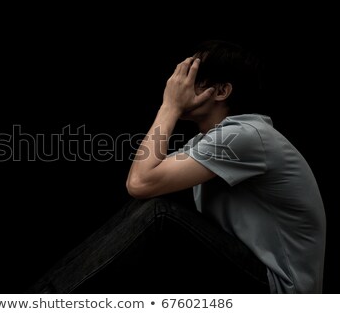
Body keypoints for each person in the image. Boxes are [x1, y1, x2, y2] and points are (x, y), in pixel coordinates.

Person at [27, 40, 326, 294]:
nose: (178, 84)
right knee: (147, 208)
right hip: (252, 272)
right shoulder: (213, 140)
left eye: (192, 76)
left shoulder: (246, 136)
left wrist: (169, 106)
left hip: (283, 293)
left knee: (159, 215)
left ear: (221, 91)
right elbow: (143, 183)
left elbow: (140, 182)